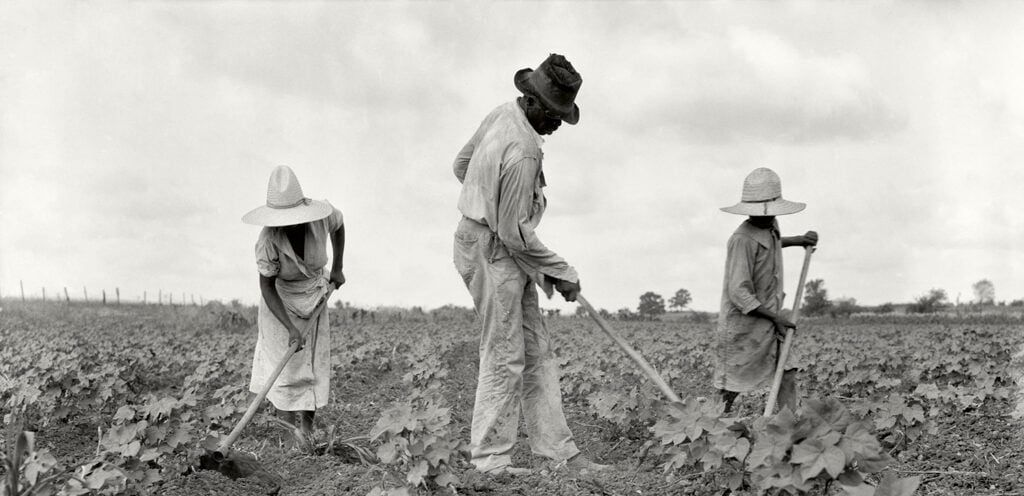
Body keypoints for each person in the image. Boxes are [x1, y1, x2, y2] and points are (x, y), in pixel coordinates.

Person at [452, 53, 608, 475]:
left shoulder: (502, 114)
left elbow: (462, 165)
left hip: (486, 241)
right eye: (554, 115)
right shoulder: (522, 151)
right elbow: (513, 233)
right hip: (492, 250)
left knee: (536, 351)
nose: (557, 124)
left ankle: (559, 452)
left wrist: (486, 194)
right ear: (532, 101)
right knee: (505, 356)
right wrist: (561, 271)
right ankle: (490, 461)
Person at [242, 165, 345, 441]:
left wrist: (337, 267)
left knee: (312, 364)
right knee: (285, 371)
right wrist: (289, 327)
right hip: (280, 303)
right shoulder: (267, 240)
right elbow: (266, 285)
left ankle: (308, 431)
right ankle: (289, 440)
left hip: (314, 293)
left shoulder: (322, 217)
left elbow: (339, 226)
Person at [713, 167, 818, 414]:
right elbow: (738, 292)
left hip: (771, 317)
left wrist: (799, 240)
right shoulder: (741, 240)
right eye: (762, 213)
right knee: (732, 384)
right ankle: (713, 425)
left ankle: (787, 427)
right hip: (745, 323)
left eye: (771, 212)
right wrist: (775, 318)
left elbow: (771, 244)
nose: (767, 217)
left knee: (787, 371)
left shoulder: (770, 225)